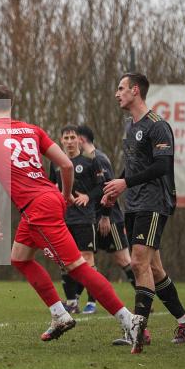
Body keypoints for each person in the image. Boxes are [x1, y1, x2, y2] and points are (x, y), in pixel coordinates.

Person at [0, 85, 139, 346]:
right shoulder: (31, 129)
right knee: (20, 258)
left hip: (38, 209)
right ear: (10, 107)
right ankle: (60, 314)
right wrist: (64, 196)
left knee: (78, 268)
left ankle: (130, 321)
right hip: (45, 202)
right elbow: (67, 164)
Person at [102, 73, 185, 353]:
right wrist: (116, 188)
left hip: (154, 203)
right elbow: (133, 167)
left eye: (121, 88)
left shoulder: (158, 126)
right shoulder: (130, 126)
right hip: (134, 203)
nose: (117, 94)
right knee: (154, 269)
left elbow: (161, 166)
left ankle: (138, 331)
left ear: (135, 91)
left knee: (138, 263)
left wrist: (125, 182)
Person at [76, 124, 136, 297]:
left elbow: (110, 189)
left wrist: (105, 216)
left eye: (75, 138)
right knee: (85, 258)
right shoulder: (86, 159)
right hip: (91, 218)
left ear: (81, 139)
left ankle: (145, 295)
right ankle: (82, 300)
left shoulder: (99, 158)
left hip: (110, 219)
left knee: (123, 259)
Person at [48, 125, 103, 315]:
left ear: (78, 140)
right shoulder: (55, 162)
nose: (70, 141)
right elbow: (50, 186)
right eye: (66, 138)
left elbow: (102, 187)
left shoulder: (89, 161)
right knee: (64, 261)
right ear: (61, 140)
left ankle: (92, 302)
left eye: (73, 137)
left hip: (85, 218)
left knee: (87, 259)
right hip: (63, 219)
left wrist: (88, 196)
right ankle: (71, 302)